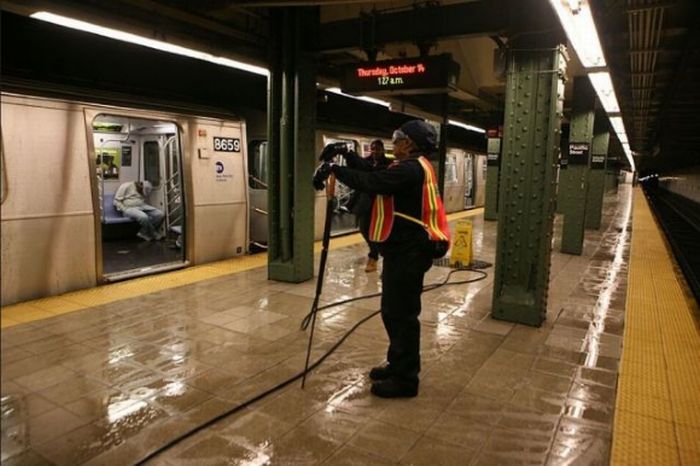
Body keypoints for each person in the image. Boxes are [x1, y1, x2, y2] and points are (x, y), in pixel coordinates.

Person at [313, 120, 450, 398]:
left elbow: (373, 181)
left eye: (396, 138)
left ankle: (406, 379)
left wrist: (335, 170)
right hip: (403, 251)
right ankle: (397, 363)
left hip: (409, 252)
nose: (393, 143)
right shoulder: (413, 166)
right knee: (393, 311)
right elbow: (374, 169)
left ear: (409, 143)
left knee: (402, 315)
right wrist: (346, 155)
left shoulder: (411, 170)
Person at [344, 139, 391, 272]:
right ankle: (375, 253)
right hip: (364, 201)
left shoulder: (389, 164)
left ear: (383, 150)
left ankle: (374, 257)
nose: (375, 151)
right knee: (364, 229)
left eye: (377, 149)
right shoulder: (365, 161)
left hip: (381, 201)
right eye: (373, 149)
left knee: (380, 231)